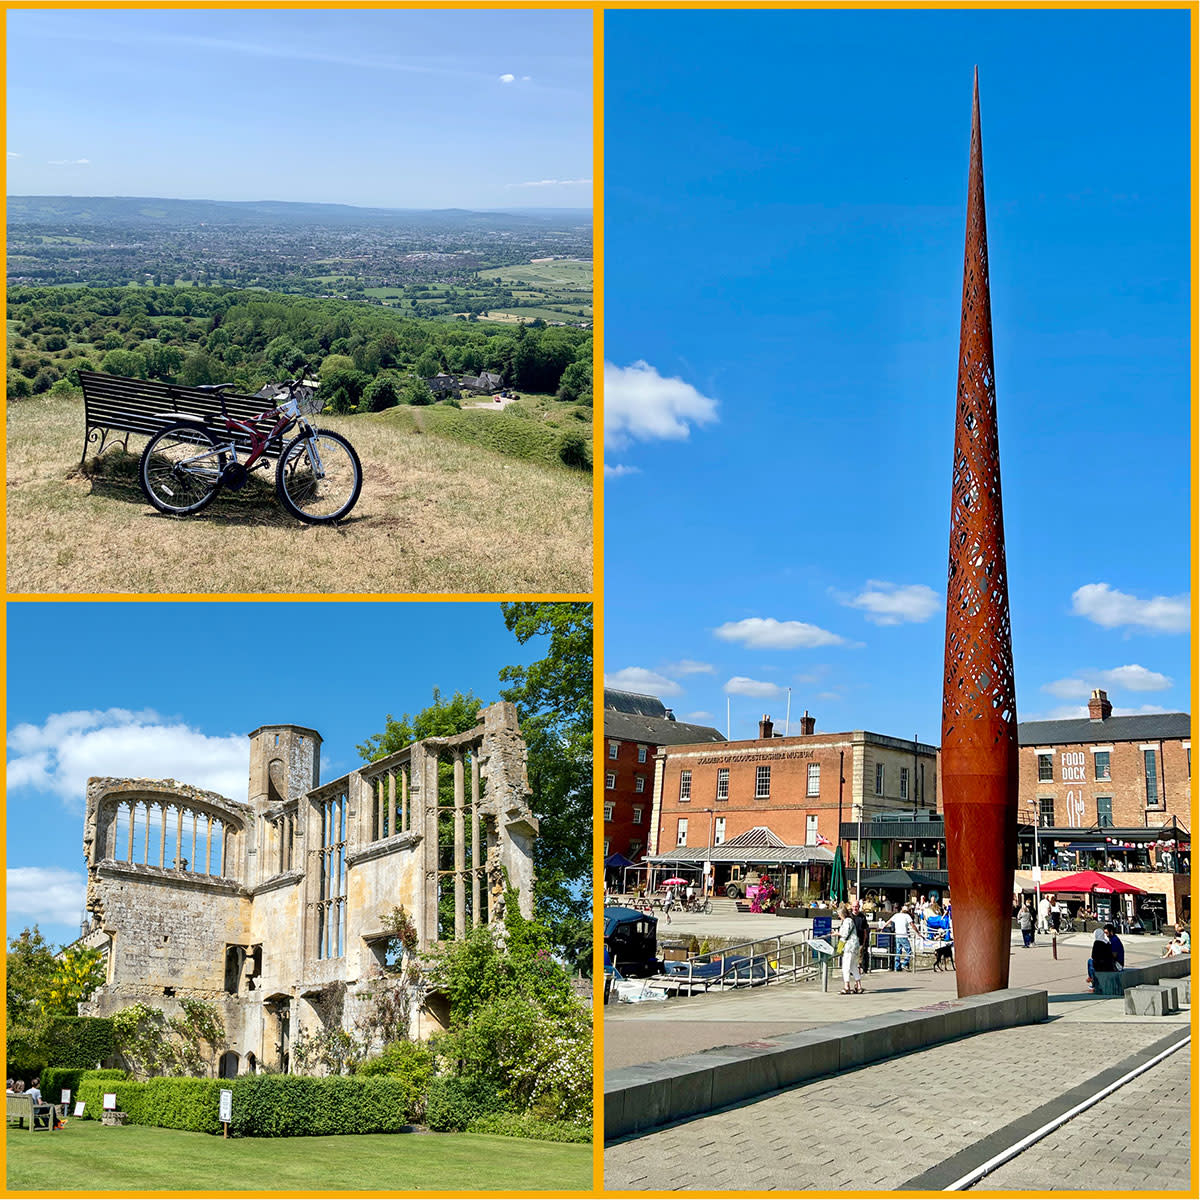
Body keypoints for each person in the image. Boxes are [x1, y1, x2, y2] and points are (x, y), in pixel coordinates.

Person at [838, 903, 862, 994]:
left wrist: (837, 934)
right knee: (853, 966)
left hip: (849, 947)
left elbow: (845, 934)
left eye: (839, 914)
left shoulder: (847, 921)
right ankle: (859, 986)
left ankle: (846, 986)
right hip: (855, 946)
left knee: (846, 967)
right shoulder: (850, 920)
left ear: (842, 914)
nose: (839, 916)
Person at [885, 903, 915, 971]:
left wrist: (882, 928)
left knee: (898, 951)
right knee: (909, 951)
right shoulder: (907, 916)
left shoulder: (896, 915)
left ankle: (897, 966)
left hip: (897, 936)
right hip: (903, 935)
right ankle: (904, 963)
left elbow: (888, 921)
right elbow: (912, 925)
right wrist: (918, 933)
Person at [851, 901, 871, 974]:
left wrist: (864, 941)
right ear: (851, 907)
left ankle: (860, 970)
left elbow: (865, 930)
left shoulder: (862, 917)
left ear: (859, 907)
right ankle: (852, 971)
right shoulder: (849, 916)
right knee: (852, 956)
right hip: (851, 941)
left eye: (856, 906)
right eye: (853, 906)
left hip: (860, 940)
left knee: (860, 957)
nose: (855, 908)